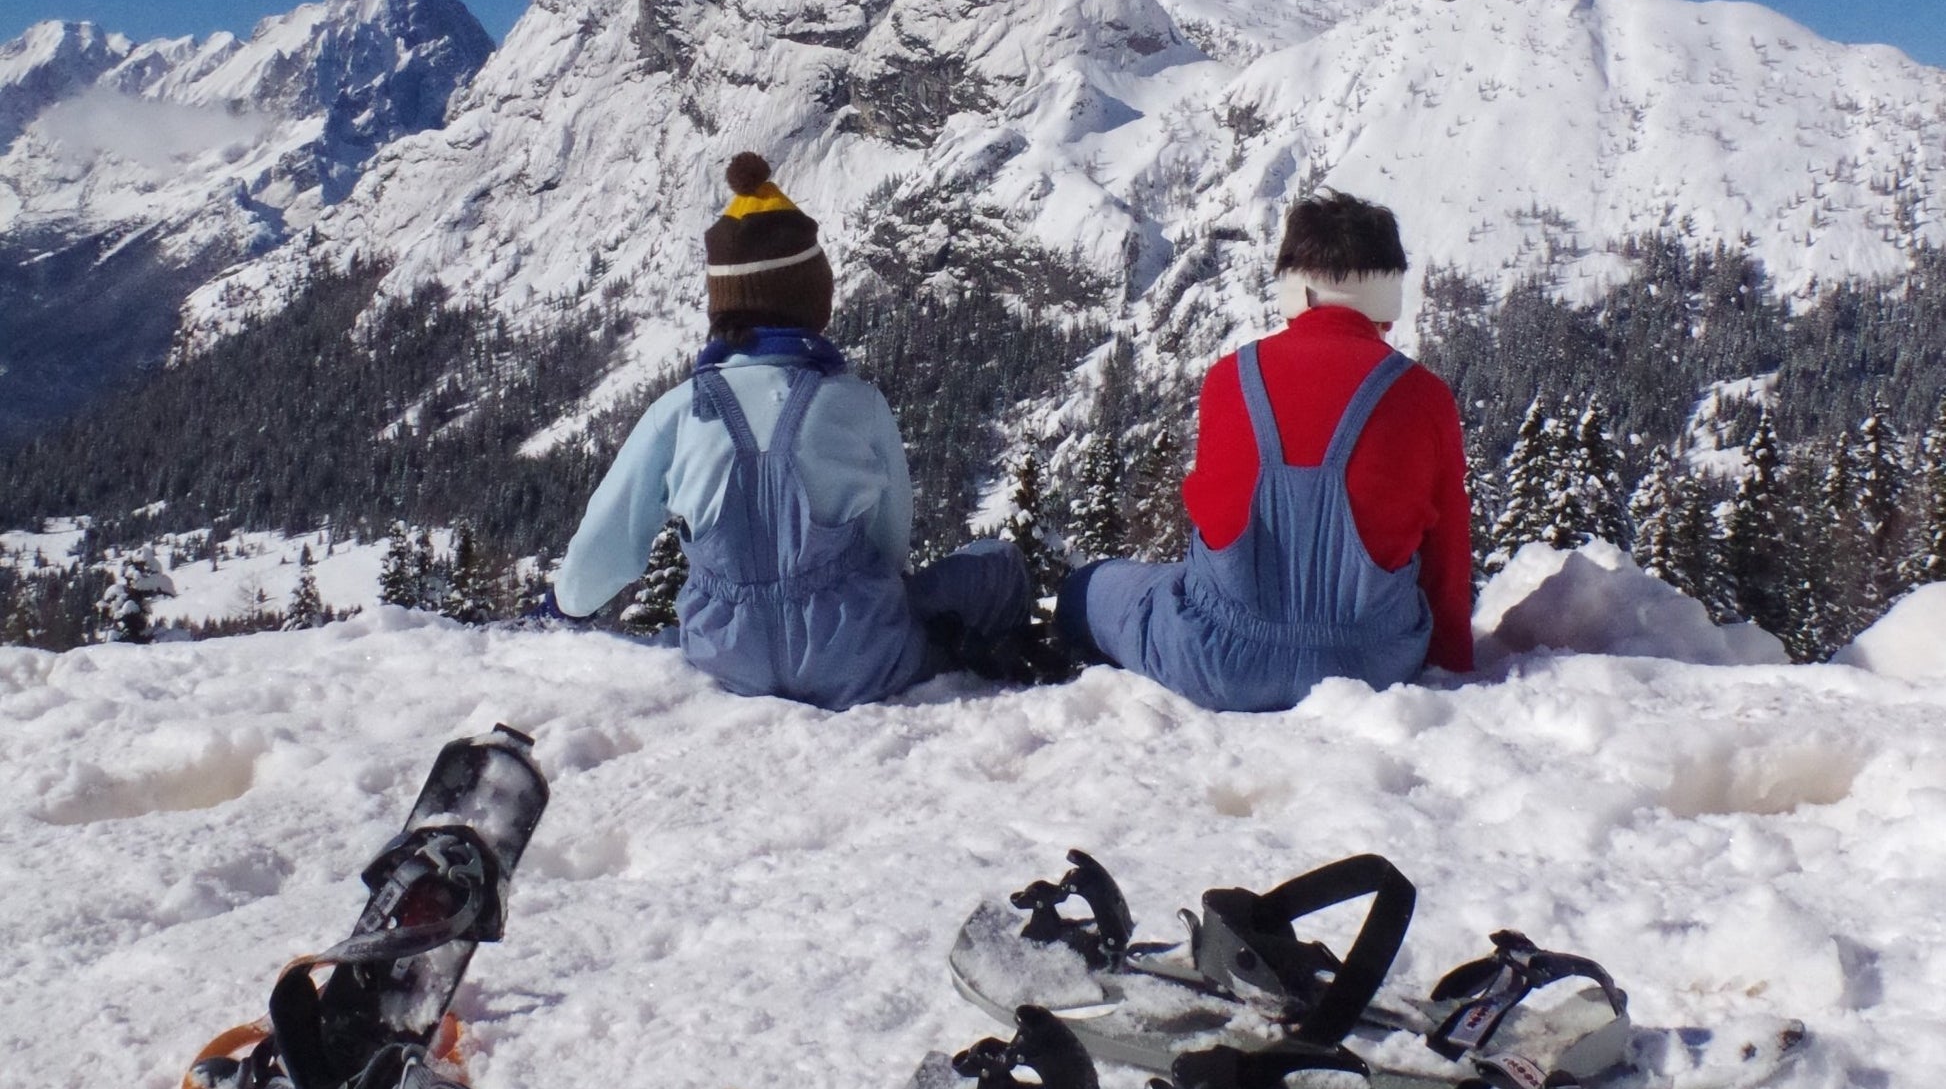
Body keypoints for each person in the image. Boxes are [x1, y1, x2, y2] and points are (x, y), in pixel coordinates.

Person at [552, 153, 1031, 709]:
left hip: (726, 661)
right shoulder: (857, 403)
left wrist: (563, 605)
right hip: (859, 659)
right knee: (996, 565)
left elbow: (604, 547)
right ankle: (1022, 662)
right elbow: (890, 542)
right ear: (813, 302)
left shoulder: (679, 412)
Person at [1056, 189, 1472, 711]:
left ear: (1294, 285)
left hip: (1218, 659)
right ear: (1387, 290)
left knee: (1089, 586)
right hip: (1373, 664)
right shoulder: (1425, 396)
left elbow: (1213, 516)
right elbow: (1447, 554)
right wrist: (1452, 662)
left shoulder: (1231, 379)